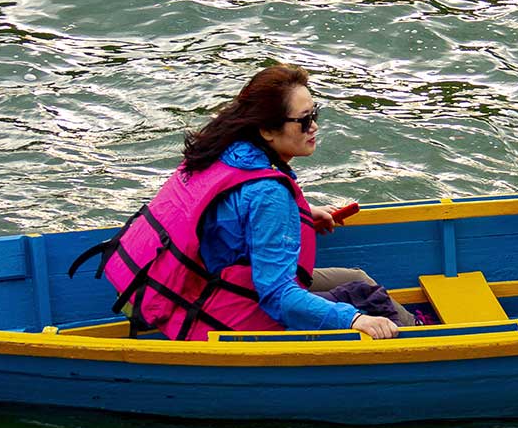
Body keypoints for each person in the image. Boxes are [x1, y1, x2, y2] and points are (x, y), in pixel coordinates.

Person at [86, 65, 412, 340]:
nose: (313, 126)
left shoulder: (221, 152)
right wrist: (354, 320)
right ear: (268, 130)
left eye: (315, 114)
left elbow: (223, 217)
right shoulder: (269, 195)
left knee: (356, 276)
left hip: (195, 286)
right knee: (365, 298)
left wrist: (302, 212)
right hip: (221, 313)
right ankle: (421, 339)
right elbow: (279, 297)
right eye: (303, 120)